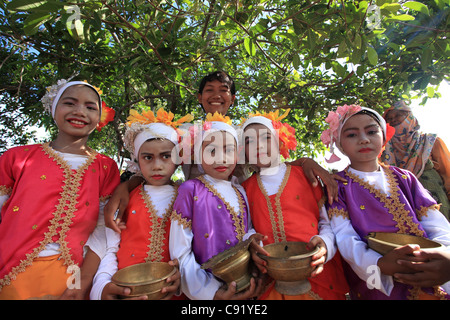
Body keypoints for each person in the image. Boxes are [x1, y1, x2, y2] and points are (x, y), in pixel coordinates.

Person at [104, 71, 342, 232]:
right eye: (209, 89)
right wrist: (126, 186)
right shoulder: (185, 134)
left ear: (233, 98)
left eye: (224, 89)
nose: (216, 94)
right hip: (196, 212)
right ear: (199, 97)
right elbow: (155, 162)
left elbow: (271, 161)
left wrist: (306, 161)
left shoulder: (243, 134)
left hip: (244, 211)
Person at [0, 79, 120, 299]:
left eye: (90, 107)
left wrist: (83, 282)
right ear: (53, 108)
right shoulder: (16, 158)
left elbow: (104, 228)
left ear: (99, 118)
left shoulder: (105, 167)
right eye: (70, 103)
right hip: (10, 273)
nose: (80, 111)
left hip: (72, 279)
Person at [321, 104, 450, 299]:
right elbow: (345, 237)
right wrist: (378, 264)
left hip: (430, 268)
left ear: (383, 138)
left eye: (372, 131)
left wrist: (445, 255)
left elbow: (436, 224)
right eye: (352, 135)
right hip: (379, 282)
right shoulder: (337, 185)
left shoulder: (405, 178)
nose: (364, 139)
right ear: (339, 144)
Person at [240, 109, 349, 300]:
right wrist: (251, 241)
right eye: (249, 141)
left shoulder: (305, 175)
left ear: (280, 140)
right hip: (272, 280)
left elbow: (326, 222)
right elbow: (247, 228)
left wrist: (325, 245)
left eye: (266, 137)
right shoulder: (244, 189)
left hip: (317, 274)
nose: (258, 145)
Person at [90, 108, 191, 300]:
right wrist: (103, 286)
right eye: (148, 158)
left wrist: (185, 280)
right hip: (127, 292)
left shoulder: (189, 197)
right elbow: (110, 248)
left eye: (166, 156)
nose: (157, 166)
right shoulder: (124, 198)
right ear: (137, 159)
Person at [169, 112, 263, 300]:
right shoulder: (190, 190)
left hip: (246, 285)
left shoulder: (240, 190)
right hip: (209, 291)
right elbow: (181, 252)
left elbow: (247, 230)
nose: (220, 158)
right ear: (198, 154)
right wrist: (211, 292)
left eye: (228, 150)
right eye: (211, 151)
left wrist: (254, 240)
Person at [381, 101, 450, 220]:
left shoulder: (430, 142)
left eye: (398, 115)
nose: (393, 120)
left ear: (410, 116)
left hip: (438, 207)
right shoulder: (383, 150)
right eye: (389, 118)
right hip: (404, 210)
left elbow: (448, 174)